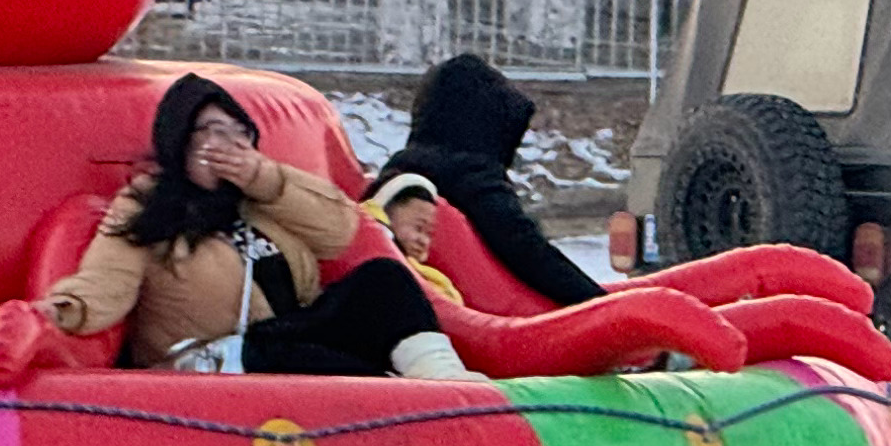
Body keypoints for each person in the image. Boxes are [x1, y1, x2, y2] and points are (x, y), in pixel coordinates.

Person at [39, 76, 468, 378]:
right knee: (309, 361)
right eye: (211, 132)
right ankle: (403, 405)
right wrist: (56, 314)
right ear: (180, 144)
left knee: (382, 280)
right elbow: (104, 282)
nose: (227, 144)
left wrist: (263, 179)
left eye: (238, 132)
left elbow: (340, 230)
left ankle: (450, 389)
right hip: (215, 361)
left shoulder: (263, 199)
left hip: (288, 342)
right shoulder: (148, 206)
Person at [379, 52, 598, 309]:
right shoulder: (468, 175)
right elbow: (527, 251)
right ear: (487, 126)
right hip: (502, 322)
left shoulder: (402, 170)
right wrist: (601, 304)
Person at [366, 168, 465, 304]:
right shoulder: (367, 253)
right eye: (418, 228)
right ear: (383, 213)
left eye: (428, 234)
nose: (424, 241)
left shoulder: (430, 281)